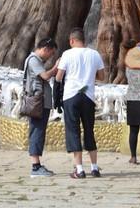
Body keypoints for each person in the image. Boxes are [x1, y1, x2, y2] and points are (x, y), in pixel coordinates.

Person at [56, 28, 105, 179]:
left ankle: (79, 169)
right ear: (83, 40)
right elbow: (102, 77)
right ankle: (94, 168)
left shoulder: (67, 54)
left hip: (71, 95)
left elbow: (58, 77)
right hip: (88, 96)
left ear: (72, 40)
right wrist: (88, 76)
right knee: (89, 130)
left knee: (73, 131)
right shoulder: (95, 54)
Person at [24, 37, 60, 178]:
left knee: (39, 131)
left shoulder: (37, 61)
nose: (50, 56)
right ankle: (35, 167)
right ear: (45, 49)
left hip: (41, 102)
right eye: (50, 53)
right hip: (37, 103)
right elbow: (45, 76)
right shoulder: (33, 60)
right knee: (37, 132)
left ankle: (37, 165)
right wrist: (55, 68)